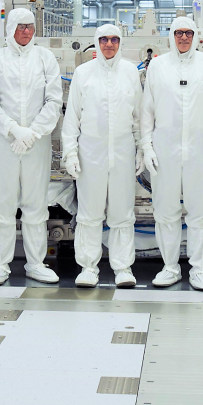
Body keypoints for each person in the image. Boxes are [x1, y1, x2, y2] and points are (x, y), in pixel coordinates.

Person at [140, 17, 203, 290]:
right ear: (171, 36)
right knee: (165, 209)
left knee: (200, 209)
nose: (184, 37)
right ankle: (170, 268)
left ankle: (198, 269)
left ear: (196, 36)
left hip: (198, 147)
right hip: (164, 147)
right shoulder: (158, 65)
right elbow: (147, 110)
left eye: (188, 33)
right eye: (179, 33)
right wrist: (147, 146)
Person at [0, 8, 63, 286]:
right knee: (2, 204)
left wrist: (32, 132)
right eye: (20, 26)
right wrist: (14, 130)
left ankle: (36, 263)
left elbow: (54, 100)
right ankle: (0, 265)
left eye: (30, 26)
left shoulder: (45, 58)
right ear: (10, 29)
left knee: (36, 204)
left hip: (36, 143)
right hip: (4, 142)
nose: (26, 31)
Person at [62, 24, 143, 289]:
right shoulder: (83, 73)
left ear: (120, 43)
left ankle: (123, 267)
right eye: (104, 39)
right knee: (89, 212)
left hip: (122, 152)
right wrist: (70, 153)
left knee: (122, 212)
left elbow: (139, 116)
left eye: (114, 39)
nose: (109, 44)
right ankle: (88, 267)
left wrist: (142, 148)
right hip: (90, 153)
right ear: (97, 42)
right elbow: (72, 118)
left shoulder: (130, 72)